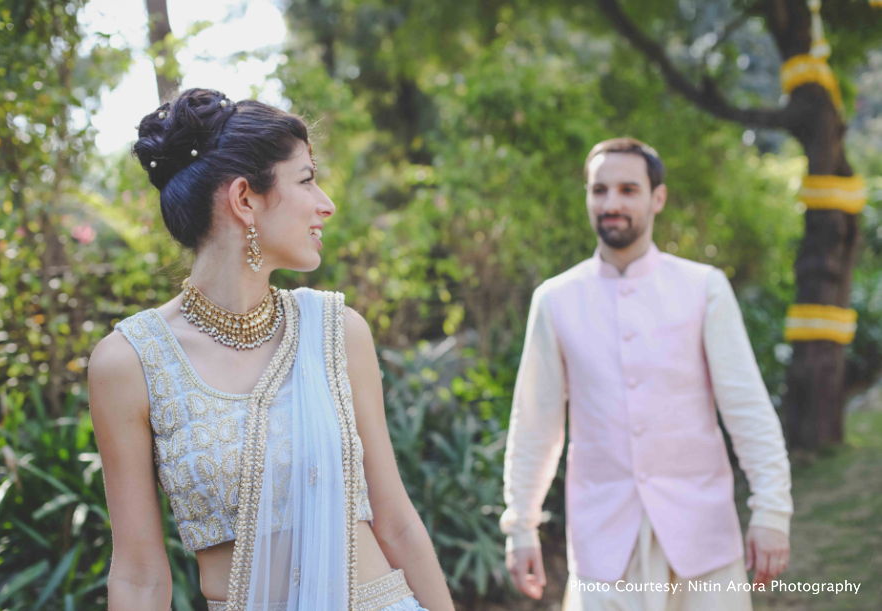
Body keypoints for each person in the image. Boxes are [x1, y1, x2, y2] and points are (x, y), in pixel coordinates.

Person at [87, 88, 454, 611]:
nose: (326, 203)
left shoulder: (337, 331)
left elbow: (395, 521)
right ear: (244, 199)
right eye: (305, 180)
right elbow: (139, 577)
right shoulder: (130, 362)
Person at [500, 138, 793, 611]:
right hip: (602, 542)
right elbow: (535, 424)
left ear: (658, 198)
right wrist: (520, 526)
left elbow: (748, 409)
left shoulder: (703, 288)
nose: (611, 204)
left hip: (701, 537)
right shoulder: (555, 300)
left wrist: (772, 510)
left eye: (628, 189)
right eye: (599, 190)